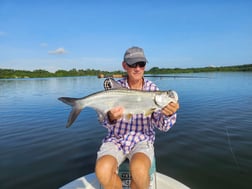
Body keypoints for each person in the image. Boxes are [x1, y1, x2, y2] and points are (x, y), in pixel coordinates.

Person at [95, 46, 180, 189]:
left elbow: (163, 126)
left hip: (142, 140)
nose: (137, 68)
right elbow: (104, 122)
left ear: (145, 66)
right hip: (115, 139)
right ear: (124, 66)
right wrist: (110, 117)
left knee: (139, 170)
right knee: (102, 170)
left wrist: (169, 114)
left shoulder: (153, 90)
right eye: (132, 64)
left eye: (141, 64)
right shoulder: (115, 89)